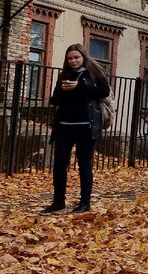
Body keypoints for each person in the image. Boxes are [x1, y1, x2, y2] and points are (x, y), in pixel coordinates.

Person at [41, 44, 110, 215]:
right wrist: (63, 90)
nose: (73, 61)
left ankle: (85, 203)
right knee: (59, 165)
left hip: (85, 127)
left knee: (84, 166)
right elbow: (54, 100)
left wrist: (79, 87)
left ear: (83, 57)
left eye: (76, 57)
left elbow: (104, 92)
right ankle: (58, 202)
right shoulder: (64, 75)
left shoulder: (94, 73)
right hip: (64, 126)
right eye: (70, 58)